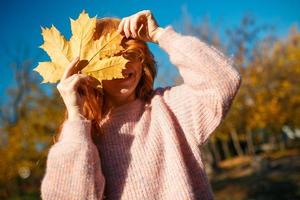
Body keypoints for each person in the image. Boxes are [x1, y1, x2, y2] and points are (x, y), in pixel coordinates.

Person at [41, 10, 241, 200]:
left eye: (132, 55)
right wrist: (76, 116)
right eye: (112, 58)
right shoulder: (84, 136)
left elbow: (223, 81)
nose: (126, 65)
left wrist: (161, 35)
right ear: (87, 72)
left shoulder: (169, 107)